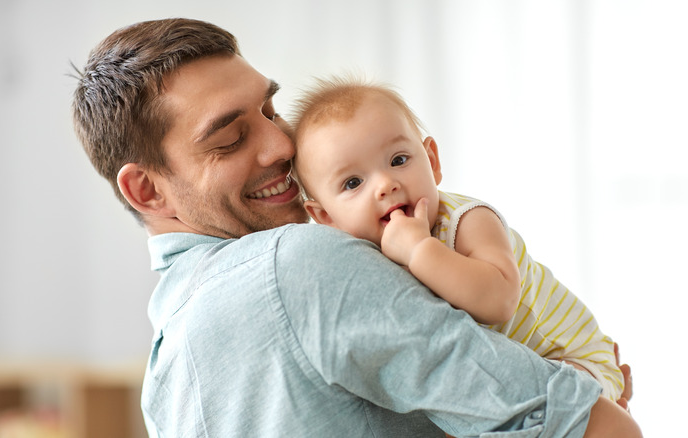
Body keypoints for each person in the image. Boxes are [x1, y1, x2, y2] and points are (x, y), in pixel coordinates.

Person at [71, 18, 640, 437]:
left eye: (270, 111)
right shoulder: (302, 264)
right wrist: (592, 398)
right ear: (146, 189)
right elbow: (602, 432)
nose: (281, 145)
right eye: (230, 139)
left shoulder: (165, 372)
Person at [290, 78, 625, 402]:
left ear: (432, 161)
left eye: (398, 160)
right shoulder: (357, 259)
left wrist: (420, 249)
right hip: (509, 376)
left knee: (546, 401)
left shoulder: (468, 220)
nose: (385, 184)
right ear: (326, 218)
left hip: (572, 358)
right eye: (352, 183)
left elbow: (500, 301)